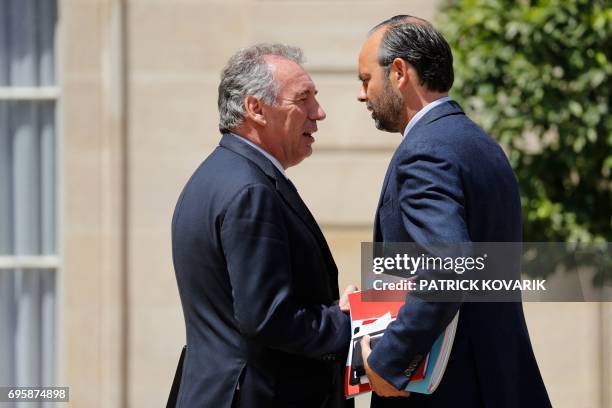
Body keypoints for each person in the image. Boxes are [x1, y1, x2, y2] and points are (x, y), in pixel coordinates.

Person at [356, 16, 552, 407]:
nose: (363, 95)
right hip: (497, 379)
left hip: (450, 388)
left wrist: (390, 359)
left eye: (366, 80)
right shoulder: (480, 143)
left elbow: (448, 264)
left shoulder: (425, 150)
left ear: (399, 72)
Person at [171, 43, 355, 408]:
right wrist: (347, 323)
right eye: (303, 99)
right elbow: (268, 317)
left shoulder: (218, 175)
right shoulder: (249, 189)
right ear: (256, 108)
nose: (318, 113)